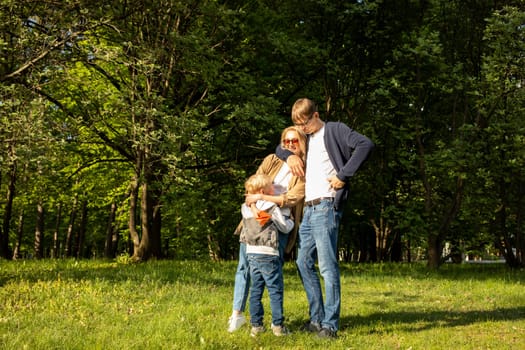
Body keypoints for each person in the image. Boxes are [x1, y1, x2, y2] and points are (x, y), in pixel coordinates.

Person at [276, 98, 374, 339]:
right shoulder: (306, 138)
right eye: (298, 125)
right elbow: (279, 148)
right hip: (308, 211)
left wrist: (343, 175)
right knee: (302, 263)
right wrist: (290, 156)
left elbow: (365, 145)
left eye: (305, 123)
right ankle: (316, 319)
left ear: (316, 115)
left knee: (328, 268)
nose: (302, 129)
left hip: (326, 206)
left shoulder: (335, 130)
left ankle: (330, 325)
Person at [227, 126, 306, 333]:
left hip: (275, 228)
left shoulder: (304, 169)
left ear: (302, 143)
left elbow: (293, 197)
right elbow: (253, 183)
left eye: (294, 141)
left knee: (270, 280)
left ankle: (270, 323)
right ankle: (239, 315)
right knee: (245, 268)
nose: (290, 145)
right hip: (254, 221)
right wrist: (254, 205)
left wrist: (263, 198)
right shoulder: (272, 159)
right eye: (286, 141)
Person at [240, 173, 294, 336]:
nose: (274, 187)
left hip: (251, 252)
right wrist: (291, 220)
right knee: (274, 289)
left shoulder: (245, 207)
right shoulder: (272, 207)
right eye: (271, 185)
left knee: (256, 289)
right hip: (269, 253)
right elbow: (284, 227)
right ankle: (277, 326)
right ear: (263, 190)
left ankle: (256, 326)